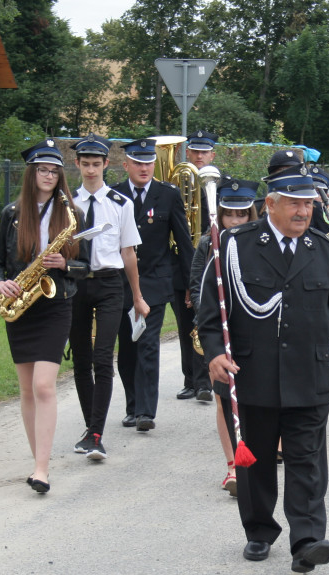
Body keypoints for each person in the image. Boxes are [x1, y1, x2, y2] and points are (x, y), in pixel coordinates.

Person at [198, 165, 329, 573]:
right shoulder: (235, 245)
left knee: (308, 459)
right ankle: (258, 530)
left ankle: (307, 540)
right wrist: (215, 353)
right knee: (255, 461)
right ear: (270, 204)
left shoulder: (324, 249)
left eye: (308, 202)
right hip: (253, 373)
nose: (303, 210)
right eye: (294, 202)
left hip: (309, 373)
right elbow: (209, 311)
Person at [0, 139, 89, 493]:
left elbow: (86, 265)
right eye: (42, 169)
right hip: (21, 307)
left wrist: (65, 262)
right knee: (26, 390)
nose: (49, 175)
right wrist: (0, 284)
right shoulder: (12, 213)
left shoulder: (72, 213)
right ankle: (37, 462)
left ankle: (42, 469)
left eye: (54, 170)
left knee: (43, 386)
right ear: (31, 174)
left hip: (55, 304)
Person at [68, 134, 148, 460]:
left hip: (110, 286)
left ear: (105, 165)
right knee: (81, 360)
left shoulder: (120, 204)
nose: (90, 170)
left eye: (95, 164)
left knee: (103, 357)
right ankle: (90, 427)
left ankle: (97, 434)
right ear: (77, 164)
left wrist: (139, 297)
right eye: (85, 164)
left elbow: (128, 253)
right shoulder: (67, 205)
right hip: (75, 287)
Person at [111, 138, 193, 432]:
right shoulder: (115, 195)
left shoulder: (168, 194)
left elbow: (184, 243)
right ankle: (132, 406)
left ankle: (146, 411)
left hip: (157, 283)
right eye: (137, 162)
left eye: (148, 162)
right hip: (121, 284)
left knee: (147, 345)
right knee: (128, 349)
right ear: (126, 165)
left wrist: (189, 286)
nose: (144, 167)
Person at [189, 177, 260, 496]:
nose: (235, 221)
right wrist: (207, 331)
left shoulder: (260, 242)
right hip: (221, 331)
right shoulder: (208, 244)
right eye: (229, 214)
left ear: (251, 215)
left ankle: (259, 454)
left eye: (242, 214)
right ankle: (233, 464)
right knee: (222, 396)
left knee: (256, 398)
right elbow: (196, 286)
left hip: (253, 333)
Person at [176, 130, 220, 402]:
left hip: (212, 256)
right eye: (195, 151)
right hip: (186, 260)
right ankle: (191, 379)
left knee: (209, 318)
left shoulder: (221, 185)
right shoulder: (177, 188)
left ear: (213, 155)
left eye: (205, 152)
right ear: (188, 154)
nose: (200, 156)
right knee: (185, 324)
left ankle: (206, 381)